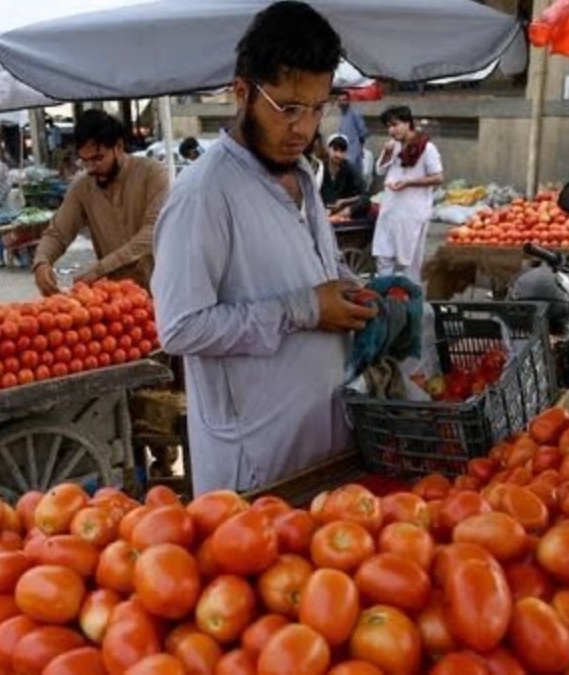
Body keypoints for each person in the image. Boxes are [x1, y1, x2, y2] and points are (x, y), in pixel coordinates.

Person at [151, 0, 378, 495]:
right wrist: (302, 309)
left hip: (326, 447)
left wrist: (356, 292)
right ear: (241, 93)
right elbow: (180, 328)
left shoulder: (302, 176)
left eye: (317, 108)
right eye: (287, 108)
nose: (303, 128)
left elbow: (322, 267)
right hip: (255, 470)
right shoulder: (203, 195)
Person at [32, 109, 170, 292]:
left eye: (98, 158)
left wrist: (101, 268)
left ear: (118, 147)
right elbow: (58, 232)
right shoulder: (82, 186)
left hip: (164, 289)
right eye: (85, 161)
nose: (91, 168)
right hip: (118, 301)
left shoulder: (153, 174)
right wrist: (41, 262)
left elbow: (153, 233)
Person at [371, 105, 443, 283]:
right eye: (388, 126)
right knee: (383, 256)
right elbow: (380, 170)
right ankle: (384, 299)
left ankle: (410, 304)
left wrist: (409, 183)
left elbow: (438, 177)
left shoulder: (427, 148)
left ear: (407, 123)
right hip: (390, 210)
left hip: (412, 214)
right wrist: (387, 152)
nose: (391, 130)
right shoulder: (393, 146)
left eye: (395, 125)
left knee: (409, 262)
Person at [320, 134, 368, 221]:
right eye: (335, 150)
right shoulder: (320, 167)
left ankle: (336, 217)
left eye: (342, 151)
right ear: (328, 149)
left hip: (342, 209)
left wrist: (343, 202)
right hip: (322, 208)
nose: (338, 155)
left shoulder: (350, 168)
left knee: (366, 203)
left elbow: (364, 195)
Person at [336, 90, 368, 178]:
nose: (342, 102)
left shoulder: (355, 114)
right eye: (340, 100)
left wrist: (360, 146)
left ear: (349, 101)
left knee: (354, 176)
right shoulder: (342, 115)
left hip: (354, 152)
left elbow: (363, 131)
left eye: (344, 100)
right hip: (344, 151)